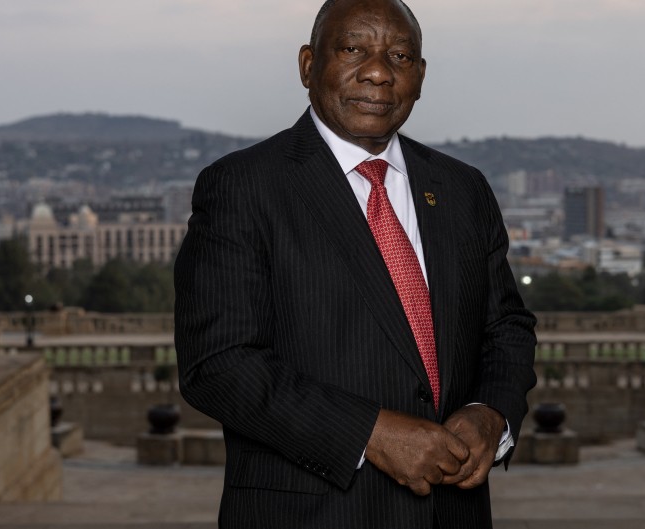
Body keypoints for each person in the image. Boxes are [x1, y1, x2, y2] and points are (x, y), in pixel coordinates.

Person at [173, 0, 537, 527]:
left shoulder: (462, 189)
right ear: (306, 64)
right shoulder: (245, 186)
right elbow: (218, 364)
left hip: (452, 513)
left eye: (400, 56)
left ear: (421, 76)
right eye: (352, 49)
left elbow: (506, 327)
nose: (378, 72)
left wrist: (491, 414)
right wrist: (371, 433)